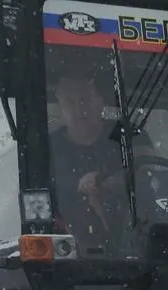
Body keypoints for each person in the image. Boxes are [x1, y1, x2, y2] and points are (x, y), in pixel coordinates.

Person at [49, 64, 143, 248]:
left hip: (138, 239)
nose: (79, 108)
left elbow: (150, 174)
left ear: (101, 102)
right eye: (70, 101)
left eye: (85, 99)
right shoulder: (48, 148)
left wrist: (107, 181)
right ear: (60, 109)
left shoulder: (129, 136)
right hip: (70, 252)